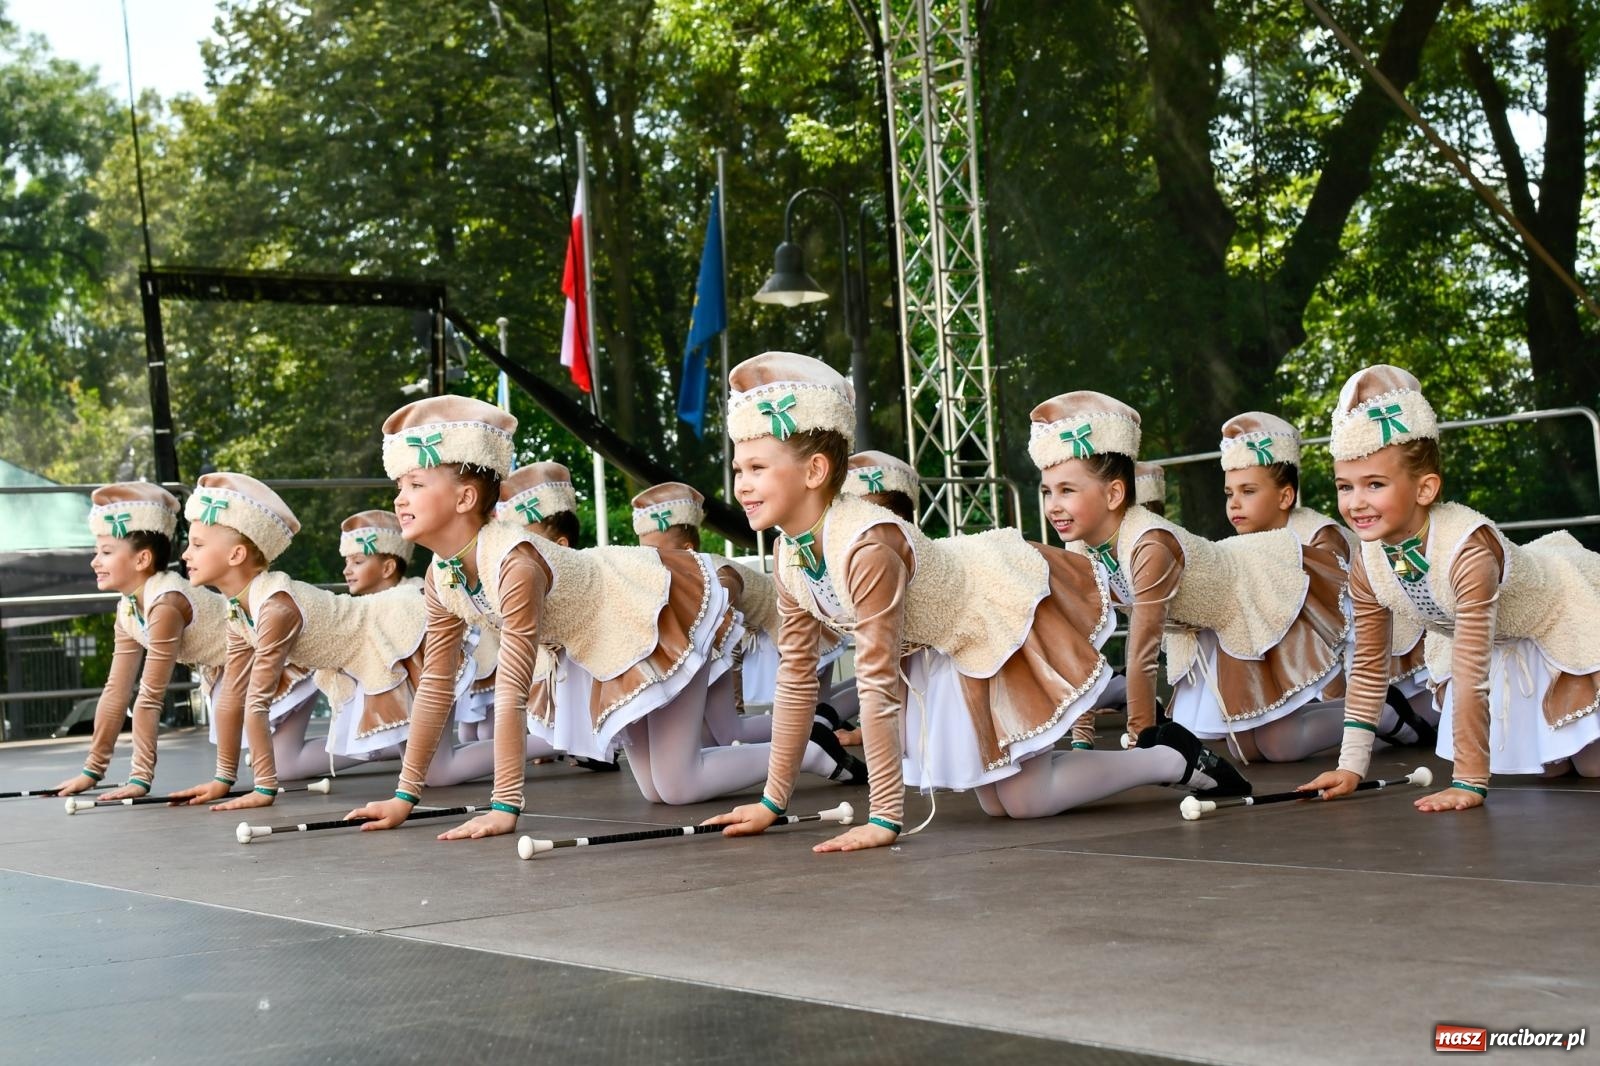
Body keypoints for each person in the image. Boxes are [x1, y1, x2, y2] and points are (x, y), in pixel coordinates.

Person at [706, 353, 1248, 855]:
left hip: (993, 616)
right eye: (738, 469)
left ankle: (1168, 758)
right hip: (943, 646)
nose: (742, 485)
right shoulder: (791, 553)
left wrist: (885, 818)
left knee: (1021, 800)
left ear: (815, 471)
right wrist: (772, 802)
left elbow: (877, 683)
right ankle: (1170, 760)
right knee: (1005, 800)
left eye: (757, 468)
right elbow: (796, 675)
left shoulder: (869, 545)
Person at [1302, 365, 1600, 812]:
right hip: (1500, 645)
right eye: (1345, 486)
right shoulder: (1369, 561)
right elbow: (1366, 665)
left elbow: (1471, 671)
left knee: (1593, 766)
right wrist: (1350, 766)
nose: (1355, 502)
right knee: (1554, 769)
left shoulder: (1468, 550)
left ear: (1425, 488)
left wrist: (1469, 782)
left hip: (1559, 619)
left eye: (1375, 484)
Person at [51, 484, 227, 799]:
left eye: (105, 552)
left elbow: (149, 697)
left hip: (262, 663)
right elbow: (116, 691)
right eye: (97, 552)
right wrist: (92, 770)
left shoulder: (165, 603)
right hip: (229, 676)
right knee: (286, 763)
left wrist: (139, 780)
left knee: (286, 764)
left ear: (142, 559)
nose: (94, 562)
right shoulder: (129, 607)